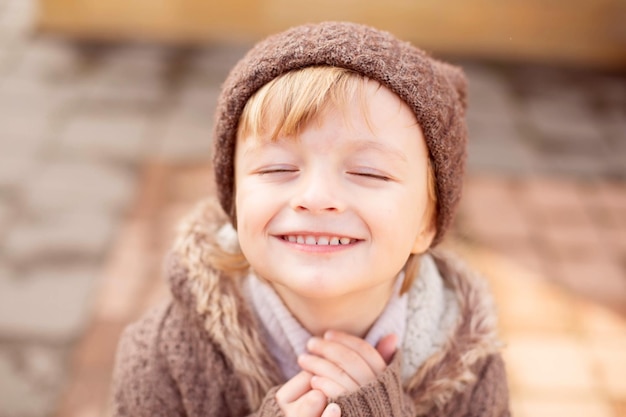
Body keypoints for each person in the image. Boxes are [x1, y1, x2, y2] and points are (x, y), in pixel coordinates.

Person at [111, 21, 510, 417]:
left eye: (369, 172)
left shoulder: (470, 373)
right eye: (277, 168)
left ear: (428, 221)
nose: (317, 199)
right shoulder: (163, 357)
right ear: (235, 201)